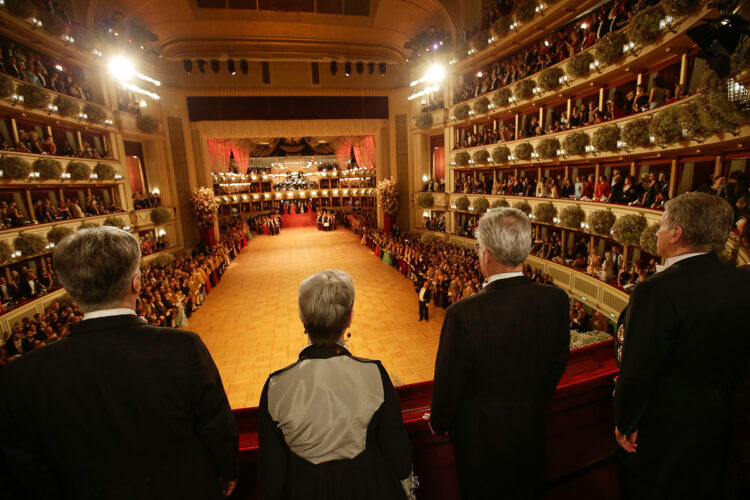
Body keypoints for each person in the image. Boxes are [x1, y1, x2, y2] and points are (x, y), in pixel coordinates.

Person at [0, 226, 239, 499]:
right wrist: (227, 470)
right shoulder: (182, 348)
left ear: (69, 289)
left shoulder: (20, 375)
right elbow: (215, 424)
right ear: (136, 282)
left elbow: (25, 464)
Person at [614, 192, 750, 499]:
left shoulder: (655, 291)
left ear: (677, 233)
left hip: (663, 427)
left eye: (662, 225)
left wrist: (625, 421)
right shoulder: (742, 283)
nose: (658, 232)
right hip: (721, 419)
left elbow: (637, 368)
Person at [429, 207, 570, 499]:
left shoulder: (463, 313)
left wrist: (438, 422)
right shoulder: (555, 300)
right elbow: (558, 362)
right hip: (532, 430)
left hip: (480, 444)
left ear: (487, 255)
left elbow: (449, 382)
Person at [258, 270, 416, 500]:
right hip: (366, 487)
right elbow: (396, 448)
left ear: (302, 319)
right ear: (349, 317)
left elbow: (272, 471)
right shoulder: (373, 373)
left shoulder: (276, 386)